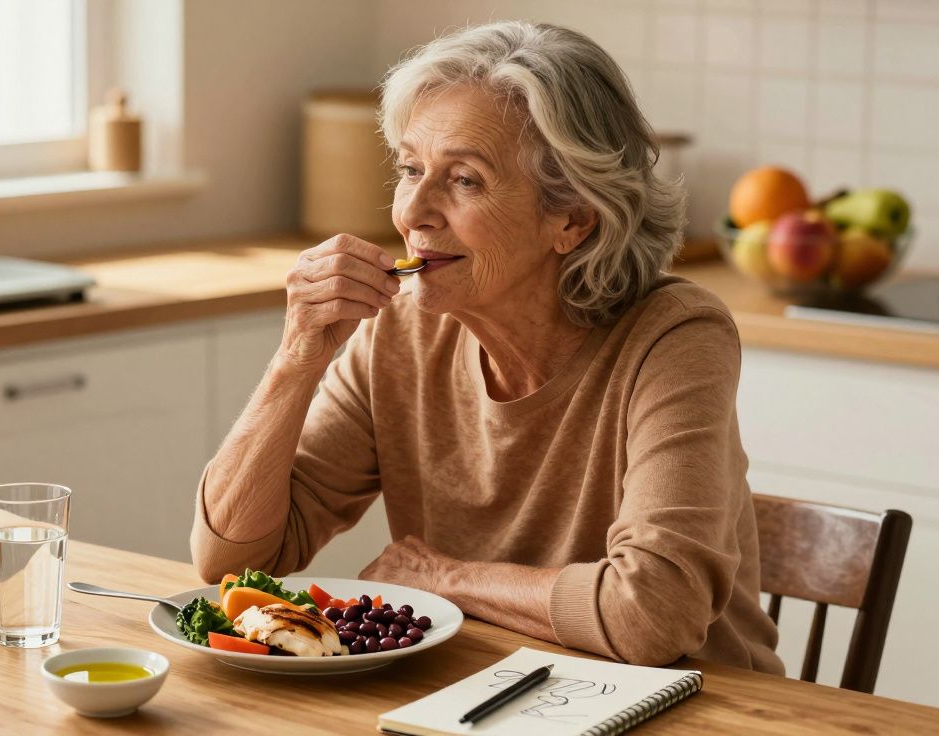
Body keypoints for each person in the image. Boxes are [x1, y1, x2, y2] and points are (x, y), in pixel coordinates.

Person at [190, 20, 784, 673]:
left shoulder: (674, 336)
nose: (413, 211)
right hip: (484, 694)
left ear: (572, 218)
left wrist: (445, 579)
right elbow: (233, 565)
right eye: (411, 168)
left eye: (464, 180)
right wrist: (297, 354)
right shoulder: (402, 331)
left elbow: (652, 615)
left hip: (693, 709)